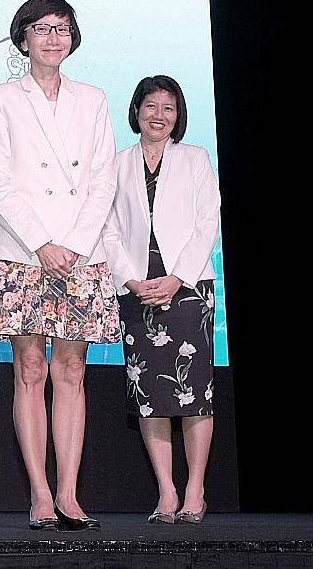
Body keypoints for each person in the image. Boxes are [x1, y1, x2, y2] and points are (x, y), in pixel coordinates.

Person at [0, 0, 121, 532]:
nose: (53, 37)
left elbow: (104, 177)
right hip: (22, 249)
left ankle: (69, 494)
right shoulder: (1, 99)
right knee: (30, 369)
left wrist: (75, 245)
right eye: (42, 29)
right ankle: (39, 493)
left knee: (73, 371)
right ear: (23, 39)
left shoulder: (93, 99)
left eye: (62, 28)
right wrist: (42, 243)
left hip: (80, 252)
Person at [102, 75, 221, 525]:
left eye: (168, 108)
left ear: (178, 115)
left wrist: (177, 278)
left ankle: (195, 490)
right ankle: (167, 492)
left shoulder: (194, 159)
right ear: (136, 111)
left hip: (187, 289)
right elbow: (108, 227)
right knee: (150, 394)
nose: (159, 115)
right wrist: (130, 280)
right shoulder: (116, 163)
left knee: (195, 393)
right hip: (137, 290)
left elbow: (207, 221)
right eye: (151, 106)